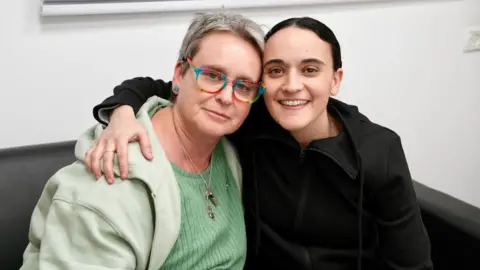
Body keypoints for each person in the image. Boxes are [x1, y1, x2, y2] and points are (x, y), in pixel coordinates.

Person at [86, 17, 433, 270]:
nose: (292, 86)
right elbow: (167, 86)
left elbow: (411, 264)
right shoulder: (243, 114)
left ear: (335, 79)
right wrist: (122, 112)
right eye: (277, 70)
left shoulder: (379, 151)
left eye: (310, 70)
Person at [20, 12, 265, 270]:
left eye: (243, 86)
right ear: (180, 75)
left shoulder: (229, 151)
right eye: (213, 76)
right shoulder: (110, 184)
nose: (227, 97)